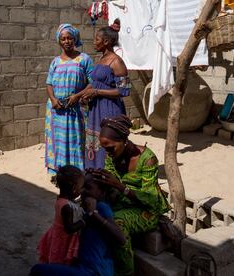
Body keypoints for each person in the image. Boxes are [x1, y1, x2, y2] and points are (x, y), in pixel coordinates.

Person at [90, 115, 170, 276]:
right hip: (121, 201)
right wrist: (99, 178)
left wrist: (120, 186)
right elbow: (110, 183)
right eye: (105, 149)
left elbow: (150, 199)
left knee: (117, 222)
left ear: (124, 141)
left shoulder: (147, 160)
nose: (107, 153)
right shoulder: (111, 155)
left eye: (110, 147)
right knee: (90, 208)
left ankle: (126, 271)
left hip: (146, 210)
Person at [31, 171, 126, 276]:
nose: (83, 191)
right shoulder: (83, 206)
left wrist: (93, 214)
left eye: (88, 187)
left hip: (94, 271)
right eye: (83, 187)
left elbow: (121, 239)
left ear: (101, 192)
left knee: (37, 270)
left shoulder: (101, 207)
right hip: (85, 268)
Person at [81, 19, 132, 170]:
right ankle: (96, 173)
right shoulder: (101, 59)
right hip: (96, 110)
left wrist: (96, 92)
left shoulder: (116, 62)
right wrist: (81, 95)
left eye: (97, 39)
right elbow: (95, 83)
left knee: (108, 142)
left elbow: (124, 90)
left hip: (109, 110)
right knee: (94, 143)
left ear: (106, 41)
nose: (94, 42)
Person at [45, 24, 94, 176]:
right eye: (63, 39)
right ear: (59, 41)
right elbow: (49, 83)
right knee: (57, 141)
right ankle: (58, 171)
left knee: (75, 140)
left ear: (75, 39)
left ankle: (76, 172)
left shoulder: (84, 59)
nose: (66, 41)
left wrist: (77, 96)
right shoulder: (55, 61)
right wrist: (53, 99)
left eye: (69, 38)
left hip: (75, 109)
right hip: (56, 109)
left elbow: (93, 83)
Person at [37, 165, 86, 265]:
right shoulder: (67, 207)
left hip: (55, 233)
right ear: (74, 188)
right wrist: (83, 221)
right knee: (60, 261)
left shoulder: (61, 199)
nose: (83, 190)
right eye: (81, 187)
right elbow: (69, 228)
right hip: (62, 239)